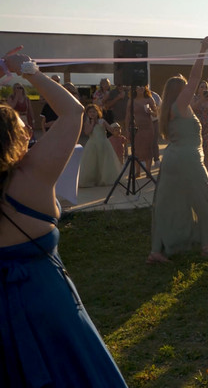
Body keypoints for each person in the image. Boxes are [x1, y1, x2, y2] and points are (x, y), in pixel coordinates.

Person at [0, 49, 127, 386]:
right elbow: (72, 112)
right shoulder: (32, 175)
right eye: (19, 124)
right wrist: (28, 70)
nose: (27, 127)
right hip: (46, 302)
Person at [148, 37, 208, 264]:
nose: (190, 90)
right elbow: (195, 77)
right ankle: (205, 244)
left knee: (167, 204)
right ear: (179, 91)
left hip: (173, 159)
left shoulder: (171, 110)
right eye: (185, 88)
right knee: (204, 199)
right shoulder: (179, 105)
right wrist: (203, 50)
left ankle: (156, 251)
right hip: (188, 159)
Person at [78, 104, 122, 187]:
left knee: (104, 161)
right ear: (87, 113)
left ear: (97, 112)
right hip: (92, 144)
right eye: (90, 112)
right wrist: (92, 124)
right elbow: (87, 132)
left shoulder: (102, 121)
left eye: (94, 112)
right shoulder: (87, 122)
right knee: (92, 162)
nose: (92, 114)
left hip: (103, 143)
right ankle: (92, 180)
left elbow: (111, 129)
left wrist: (116, 129)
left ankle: (104, 179)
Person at [126, 85, 158, 171]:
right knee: (136, 148)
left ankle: (148, 170)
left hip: (148, 127)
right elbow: (128, 116)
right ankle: (138, 171)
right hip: (136, 127)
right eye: (138, 87)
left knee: (148, 148)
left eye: (142, 86)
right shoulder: (131, 100)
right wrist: (127, 129)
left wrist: (150, 111)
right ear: (134, 89)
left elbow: (156, 113)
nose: (141, 88)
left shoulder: (149, 99)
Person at [191, 80, 208, 177]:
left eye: (206, 87)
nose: (204, 89)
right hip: (196, 129)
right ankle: (198, 174)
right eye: (201, 87)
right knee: (197, 152)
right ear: (198, 89)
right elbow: (191, 109)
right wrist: (201, 100)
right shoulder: (194, 99)